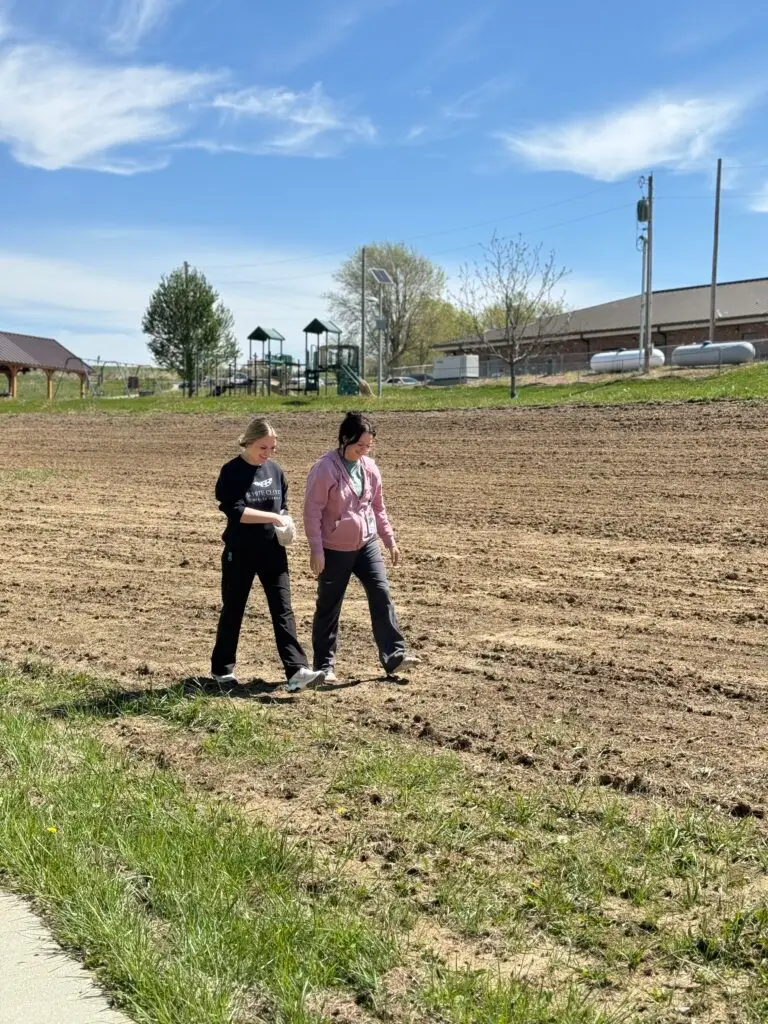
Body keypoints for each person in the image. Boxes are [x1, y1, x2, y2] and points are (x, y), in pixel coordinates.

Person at [211, 417, 324, 693]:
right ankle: (222, 670)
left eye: (272, 448)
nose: (268, 454)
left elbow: (282, 507)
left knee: (283, 609)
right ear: (248, 442)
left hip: (273, 552)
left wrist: (285, 523)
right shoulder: (232, 471)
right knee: (234, 609)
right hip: (240, 552)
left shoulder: (275, 471)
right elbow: (235, 510)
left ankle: (296, 670)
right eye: (263, 447)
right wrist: (274, 517)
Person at [304, 411, 419, 681]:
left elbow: (378, 507)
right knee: (329, 606)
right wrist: (317, 550)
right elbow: (312, 511)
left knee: (381, 592)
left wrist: (389, 539)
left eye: (368, 446)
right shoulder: (325, 469)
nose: (364, 451)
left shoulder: (369, 468)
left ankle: (394, 656)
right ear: (345, 439)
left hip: (366, 545)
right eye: (360, 446)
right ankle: (324, 666)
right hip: (335, 548)